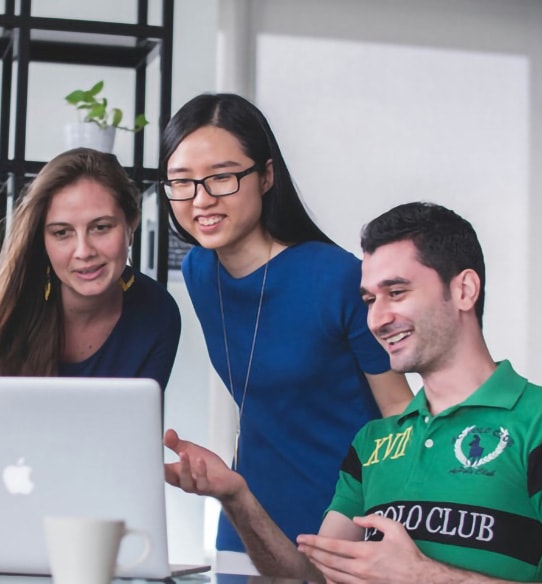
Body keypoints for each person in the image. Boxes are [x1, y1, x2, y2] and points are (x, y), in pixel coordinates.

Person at [164, 202, 542, 583]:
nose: (377, 319)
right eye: (370, 299)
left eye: (397, 292)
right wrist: (237, 495)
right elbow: (312, 577)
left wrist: (423, 576)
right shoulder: (373, 442)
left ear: (464, 290)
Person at [159, 92, 412, 564]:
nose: (201, 199)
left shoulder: (335, 277)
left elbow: (400, 414)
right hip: (246, 520)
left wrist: (393, 534)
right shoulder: (199, 271)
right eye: (182, 182)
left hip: (345, 525)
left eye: (223, 178)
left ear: (267, 175)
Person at [0, 148, 181, 389]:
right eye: (62, 233)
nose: (84, 251)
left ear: (130, 225)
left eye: (100, 227)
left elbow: (138, 423)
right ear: (42, 239)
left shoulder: (157, 313)